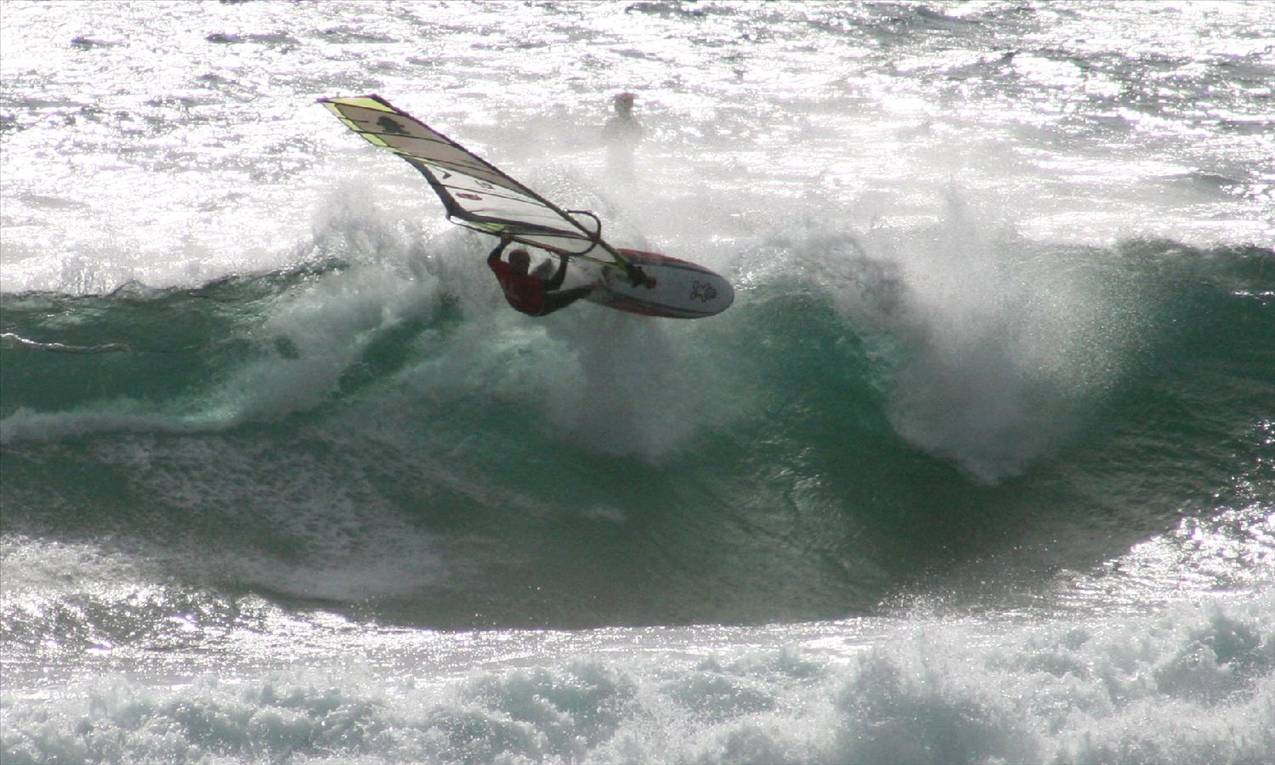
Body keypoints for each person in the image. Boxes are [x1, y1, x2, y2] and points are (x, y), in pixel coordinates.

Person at [487, 236, 595, 316]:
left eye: (526, 262)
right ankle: (593, 287)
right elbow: (555, 284)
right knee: (578, 292)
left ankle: (568, 268)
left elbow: (491, 259)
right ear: (511, 262)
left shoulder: (502, 268)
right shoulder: (526, 282)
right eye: (520, 263)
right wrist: (564, 260)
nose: (524, 266)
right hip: (540, 306)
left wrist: (503, 244)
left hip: (523, 299)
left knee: (546, 265)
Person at [603, 92, 643, 180]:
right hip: (627, 159)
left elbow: (603, 139)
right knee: (627, 179)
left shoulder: (612, 123)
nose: (615, 106)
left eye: (617, 104)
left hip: (614, 159)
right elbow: (636, 142)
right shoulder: (635, 124)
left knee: (613, 178)